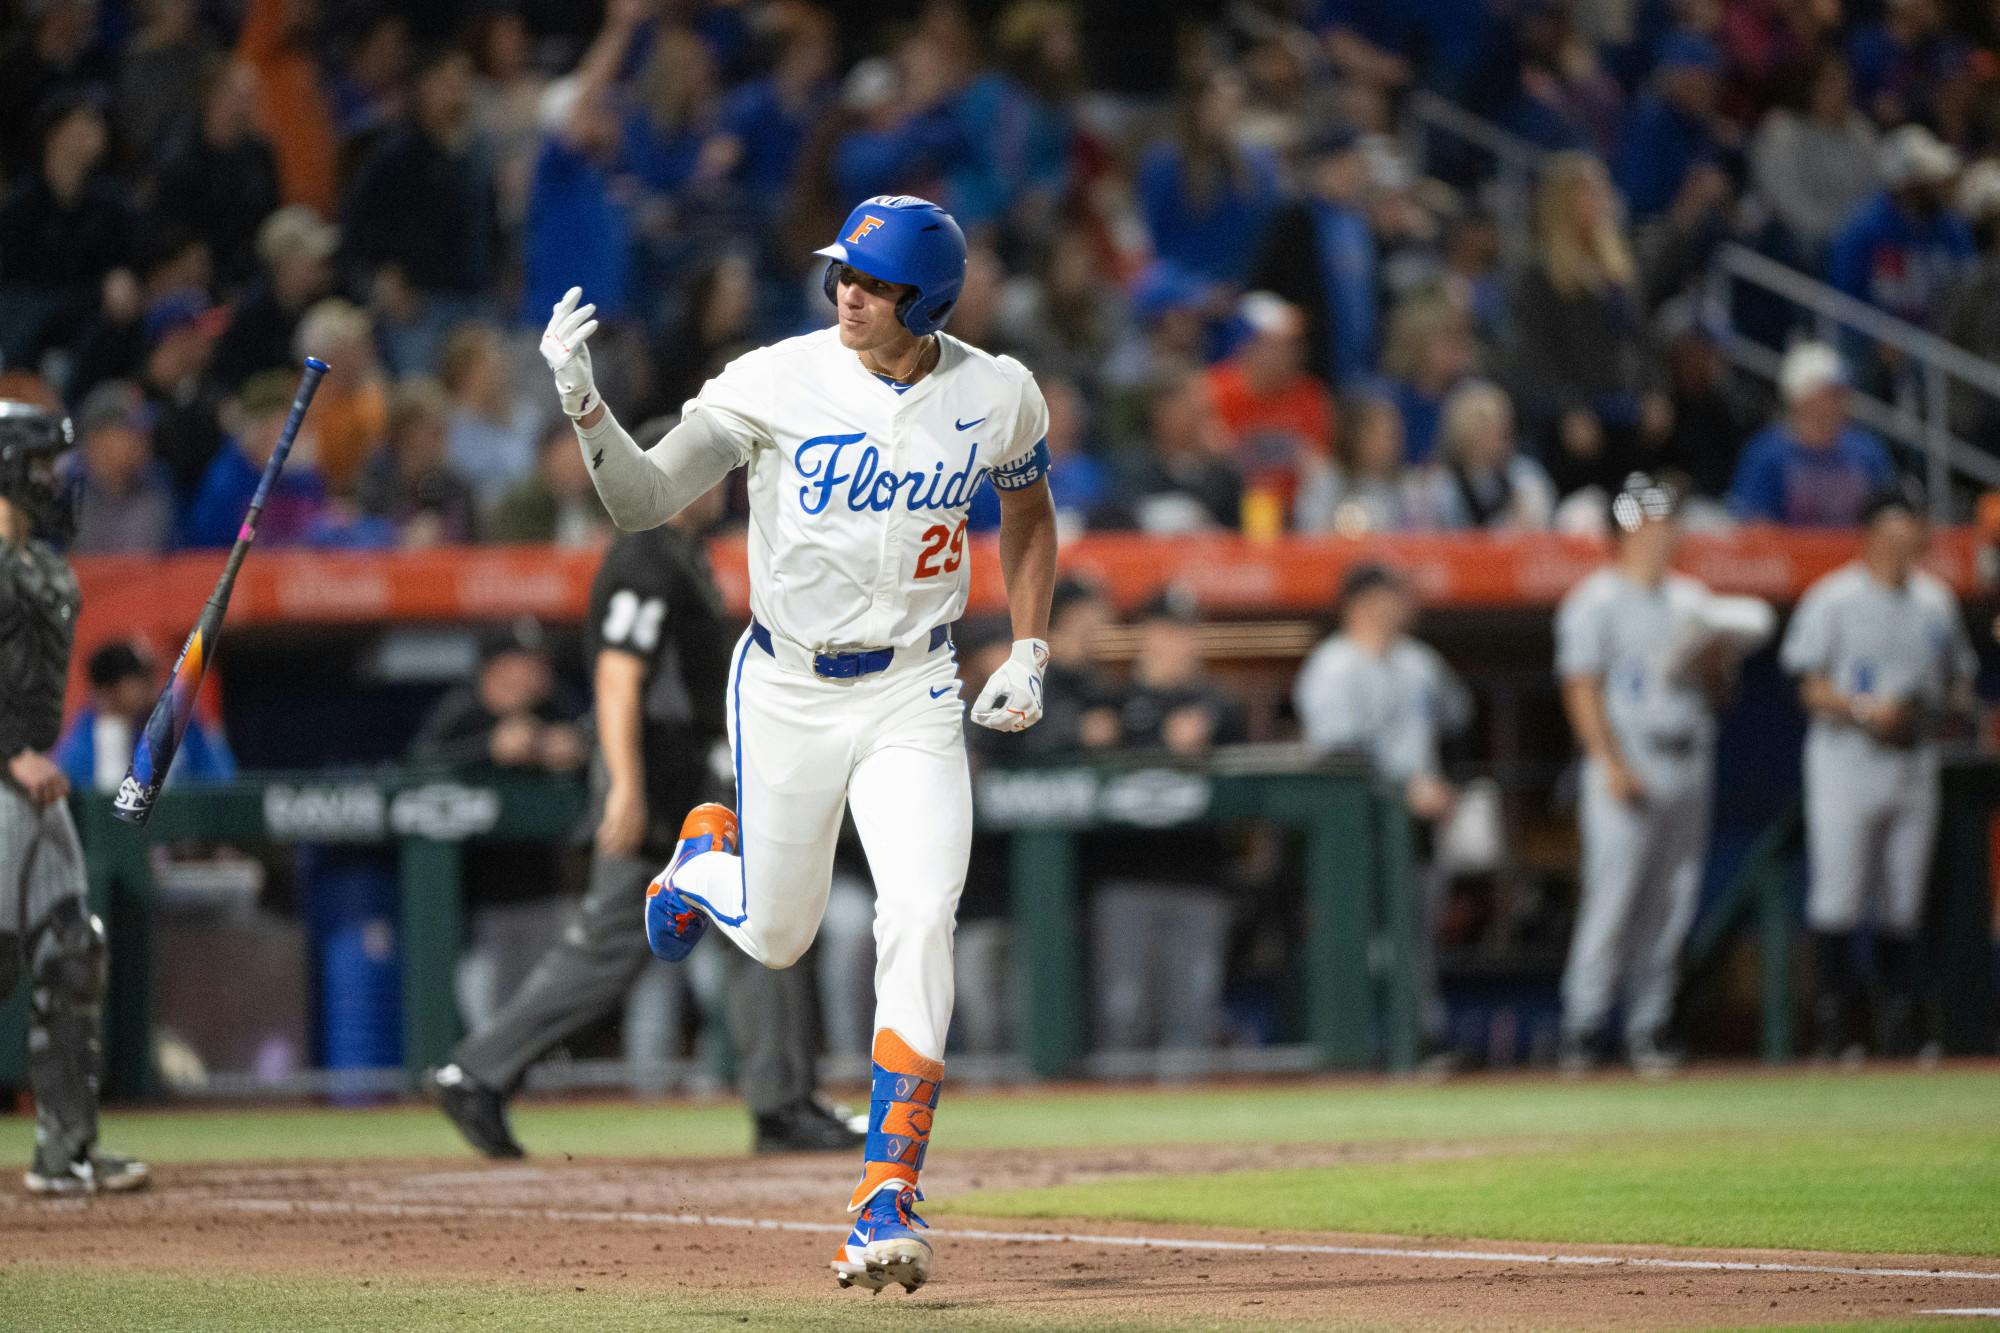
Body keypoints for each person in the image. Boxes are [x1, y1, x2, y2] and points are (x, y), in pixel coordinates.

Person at [541, 194, 1056, 1294]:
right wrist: (585, 405)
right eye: (840, 274)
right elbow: (642, 501)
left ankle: (886, 1190)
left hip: (916, 682)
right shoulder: (773, 378)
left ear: (924, 299)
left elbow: (1028, 509)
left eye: (868, 282)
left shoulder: (996, 392)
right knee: (777, 939)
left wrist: (1030, 645)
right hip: (785, 686)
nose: (845, 293)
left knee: (920, 914)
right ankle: (698, 860)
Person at [432, 472, 863, 1159]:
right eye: (696, 470)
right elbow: (618, 673)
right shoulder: (646, 555)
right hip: (658, 787)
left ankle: (781, 1102)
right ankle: (477, 1069)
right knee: (644, 936)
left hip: (681, 780)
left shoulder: (681, 555)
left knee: (742, 927)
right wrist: (626, 786)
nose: (712, 486)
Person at [1553, 475, 1774, 1075]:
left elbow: (1719, 692)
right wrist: (1610, 764)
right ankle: (1584, 1025)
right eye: (1653, 523)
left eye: (1670, 523)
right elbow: (1581, 688)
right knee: (1614, 898)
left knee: (1672, 903)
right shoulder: (1594, 599)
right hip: (1627, 757)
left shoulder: (1692, 599)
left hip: (1686, 754)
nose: (1665, 534)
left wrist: (1714, 666)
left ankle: (1649, 1025)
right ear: (1626, 531)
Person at [0, 400, 148, 1195]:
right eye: (40, 467)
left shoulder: (41, 567)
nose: (55, 482)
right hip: (7, 775)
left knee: (71, 947)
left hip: (30, 784)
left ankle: (67, 1148)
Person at [1781, 487, 1977, 1060]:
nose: (1902, 542)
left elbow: (1959, 677)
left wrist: (1939, 706)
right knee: (1838, 897)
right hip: (1846, 761)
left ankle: (1904, 1032)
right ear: (1868, 535)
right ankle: (1834, 1034)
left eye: (1909, 530)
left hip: (1912, 759)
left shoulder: (1935, 601)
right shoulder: (1833, 598)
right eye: (1890, 531)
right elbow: (1809, 688)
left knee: (1904, 900)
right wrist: (1869, 711)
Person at [1293, 563, 1472, 1052]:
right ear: (1365, 602)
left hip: (1418, 826)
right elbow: (1336, 755)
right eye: (1393, 595)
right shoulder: (1333, 666)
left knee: (1417, 941)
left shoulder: (1420, 662)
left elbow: (1459, 720)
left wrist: (1441, 784)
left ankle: (1419, 1038)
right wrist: (1403, 786)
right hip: (1357, 828)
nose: (1404, 605)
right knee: (1363, 939)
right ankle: (1363, 1043)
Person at [1090, 585, 1249, 1055]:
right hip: (1126, 878)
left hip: (1199, 877)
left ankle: (1190, 1131)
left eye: (1186, 633)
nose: (1178, 643)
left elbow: (1251, 797)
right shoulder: (1112, 704)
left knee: (1192, 1018)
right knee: (1124, 1015)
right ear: (1146, 636)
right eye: (1166, 631)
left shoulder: (1220, 706)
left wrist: (1204, 749)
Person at [409, 620, 589, 1032]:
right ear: (495, 667)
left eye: (540, 662)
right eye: (524, 663)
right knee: (485, 1019)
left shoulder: (556, 707)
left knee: (543, 1009)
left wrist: (577, 749)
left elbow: (597, 740)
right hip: (471, 903)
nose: (537, 672)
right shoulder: (462, 712)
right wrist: (488, 750)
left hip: (543, 890)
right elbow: (417, 771)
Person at [1727, 342, 1895, 527]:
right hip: (1787, 555)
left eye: (1843, 393)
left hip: (1856, 554)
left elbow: (1889, 516)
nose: (1842, 402)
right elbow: (1753, 522)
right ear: (1803, 398)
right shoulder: (1768, 453)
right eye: (1832, 394)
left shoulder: (1867, 451)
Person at [53, 640, 235, 793]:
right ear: (109, 691)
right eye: (142, 679)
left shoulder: (182, 721)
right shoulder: (85, 732)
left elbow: (221, 779)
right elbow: (76, 786)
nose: (153, 686)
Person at [1431, 380, 1557, 531]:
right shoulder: (1442, 485)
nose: (1499, 438)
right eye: (1483, 429)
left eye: (1501, 429)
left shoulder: (1525, 477)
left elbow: (1540, 530)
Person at [69, 381, 174, 555]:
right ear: (97, 438)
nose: (143, 442)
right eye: (133, 431)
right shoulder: (63, 494)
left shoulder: (159, 490)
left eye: (145, 432)